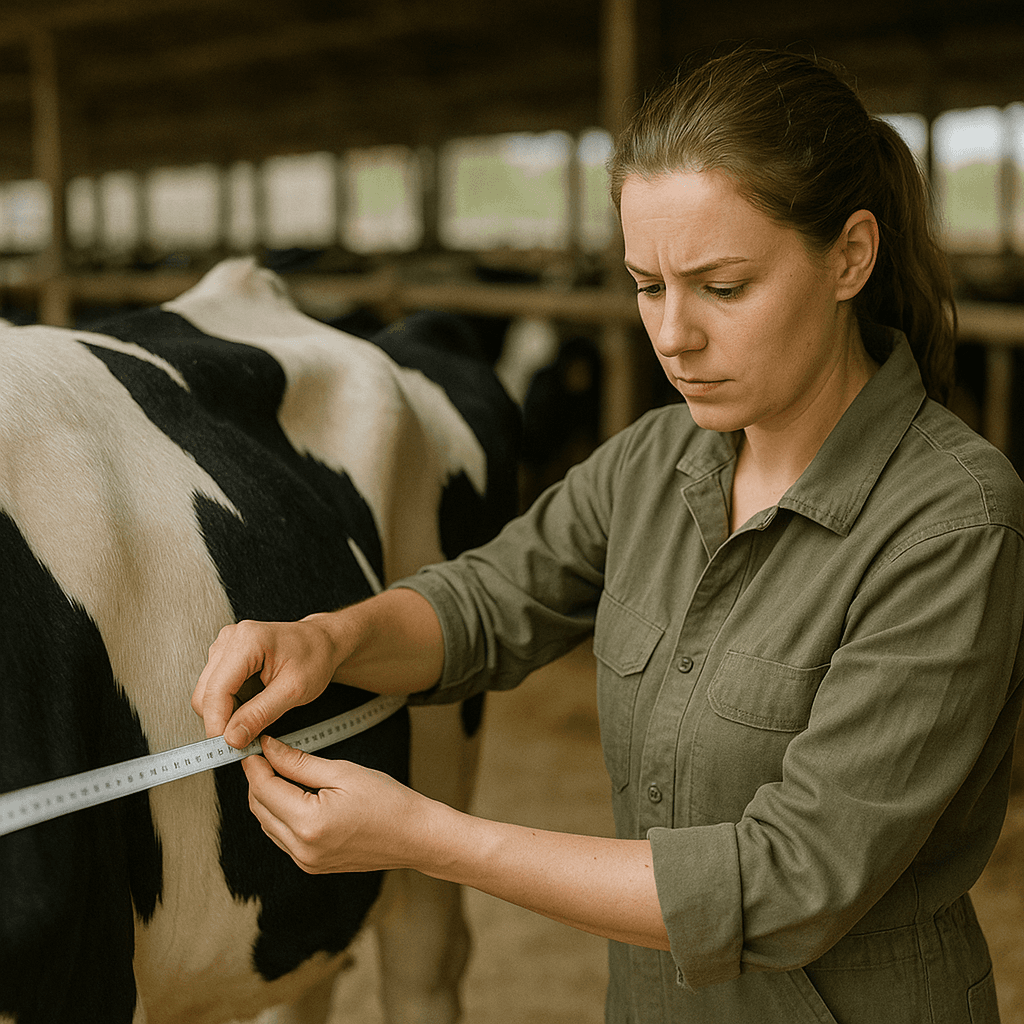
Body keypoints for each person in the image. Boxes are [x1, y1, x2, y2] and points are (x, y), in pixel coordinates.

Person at [192, 47, 1024, 1023]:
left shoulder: (951, 522)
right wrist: (331, 639)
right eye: (646, 285)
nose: (672, 336)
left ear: (850, 256)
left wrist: (429, 840)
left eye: (723, 287)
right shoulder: (652, 462)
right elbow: (485, 603)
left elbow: (789, 882)